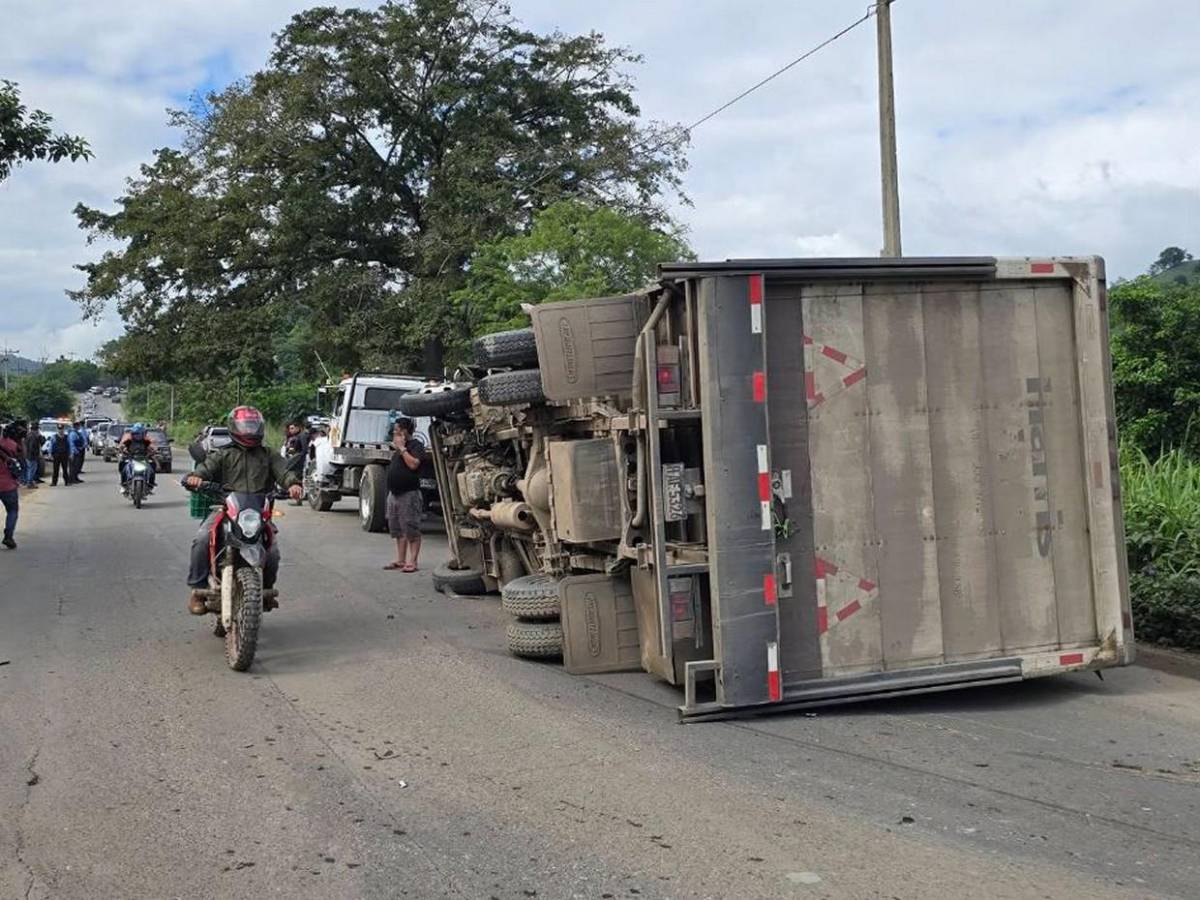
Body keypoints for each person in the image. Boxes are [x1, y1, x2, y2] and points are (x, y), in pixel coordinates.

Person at [184, 406, 302, 614]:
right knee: (202, 538)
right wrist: (197, 477)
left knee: (272, 551)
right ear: (234, 428)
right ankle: (198, 589)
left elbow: (284, 473)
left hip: (257, 512)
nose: (249, 431)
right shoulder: (224, 454)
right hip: (226, 508)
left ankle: (265, 590)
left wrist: (293, 484)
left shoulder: (268, 455)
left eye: (252, 426)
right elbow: (205, 469)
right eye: (245, 427)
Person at [382, 417, 426, 573]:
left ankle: (412, 561)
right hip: (394, 493)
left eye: (397, 431)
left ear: (405, 431)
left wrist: (402, 449)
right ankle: (400, 559)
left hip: (409, 493)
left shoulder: (415, 446)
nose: (395, 434)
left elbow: (414, 464)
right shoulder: (398, 449)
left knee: (410, 527)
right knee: (397, 528)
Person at [0, 423, 22, 548]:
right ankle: (8, 536)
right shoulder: (11, 445)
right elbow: (20, 457)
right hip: (8, 484)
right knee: (12, 511)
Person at [118, 423, 157, 493]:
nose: (138, 436)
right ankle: (123, 485)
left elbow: (152, 447)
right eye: (136, 433)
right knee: (123, 468)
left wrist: (153, 451)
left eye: (139, 434)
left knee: (152, 470)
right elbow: (122, 446)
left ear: (143, 434)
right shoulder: (129, 441)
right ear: (132, 433)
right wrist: (121, 449)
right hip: (131, 459)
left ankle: (150, 485)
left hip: (143, 460)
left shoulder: (146, 441)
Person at [23, 422, 41, 488]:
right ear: (36, 430)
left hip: (28, 455)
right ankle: (29, 482)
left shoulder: (28, 435)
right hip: (31, 456)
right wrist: (34, 455)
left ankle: (30, 482)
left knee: (31, 469)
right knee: (32, 469)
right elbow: (31, 447)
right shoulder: (33, 436)